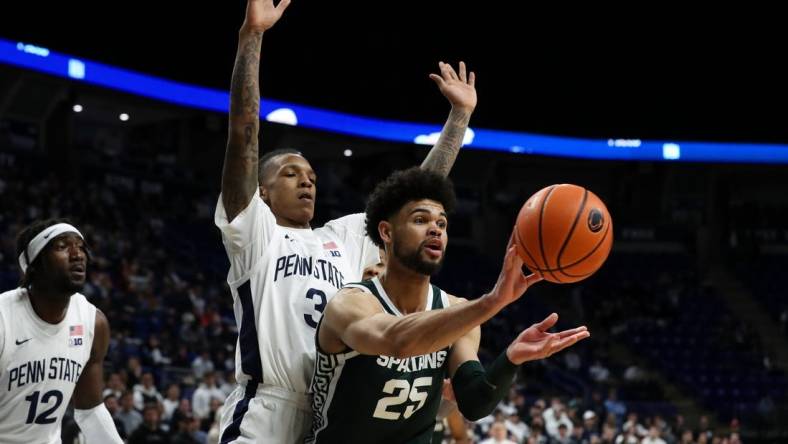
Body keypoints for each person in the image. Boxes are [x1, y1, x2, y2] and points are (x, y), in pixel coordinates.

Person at [215, 0, 478, 441]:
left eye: (312, 176)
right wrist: (251, 39)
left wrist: (458, 120)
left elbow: (412, 197)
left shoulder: (341, 237)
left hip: (333, 411)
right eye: (290, 174)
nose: (306, 183)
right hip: (268, 407)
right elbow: (244, 135)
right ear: (262, 191)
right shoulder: (255, 233)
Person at [307, 168, 590, 443]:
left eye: (441, 223)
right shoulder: (350, 303)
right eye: (420, 220)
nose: (435, 229)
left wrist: (510, 359)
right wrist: (493, 301)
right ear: (387, 232)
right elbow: (397, 340)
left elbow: (474, 403)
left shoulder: (456, 309)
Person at [0, 219, 123, 443]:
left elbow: (91, 412)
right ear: (34, 264)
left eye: (80, 246)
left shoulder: (93, 323)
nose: (78, 254)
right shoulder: (3, 319)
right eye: (62, 246)